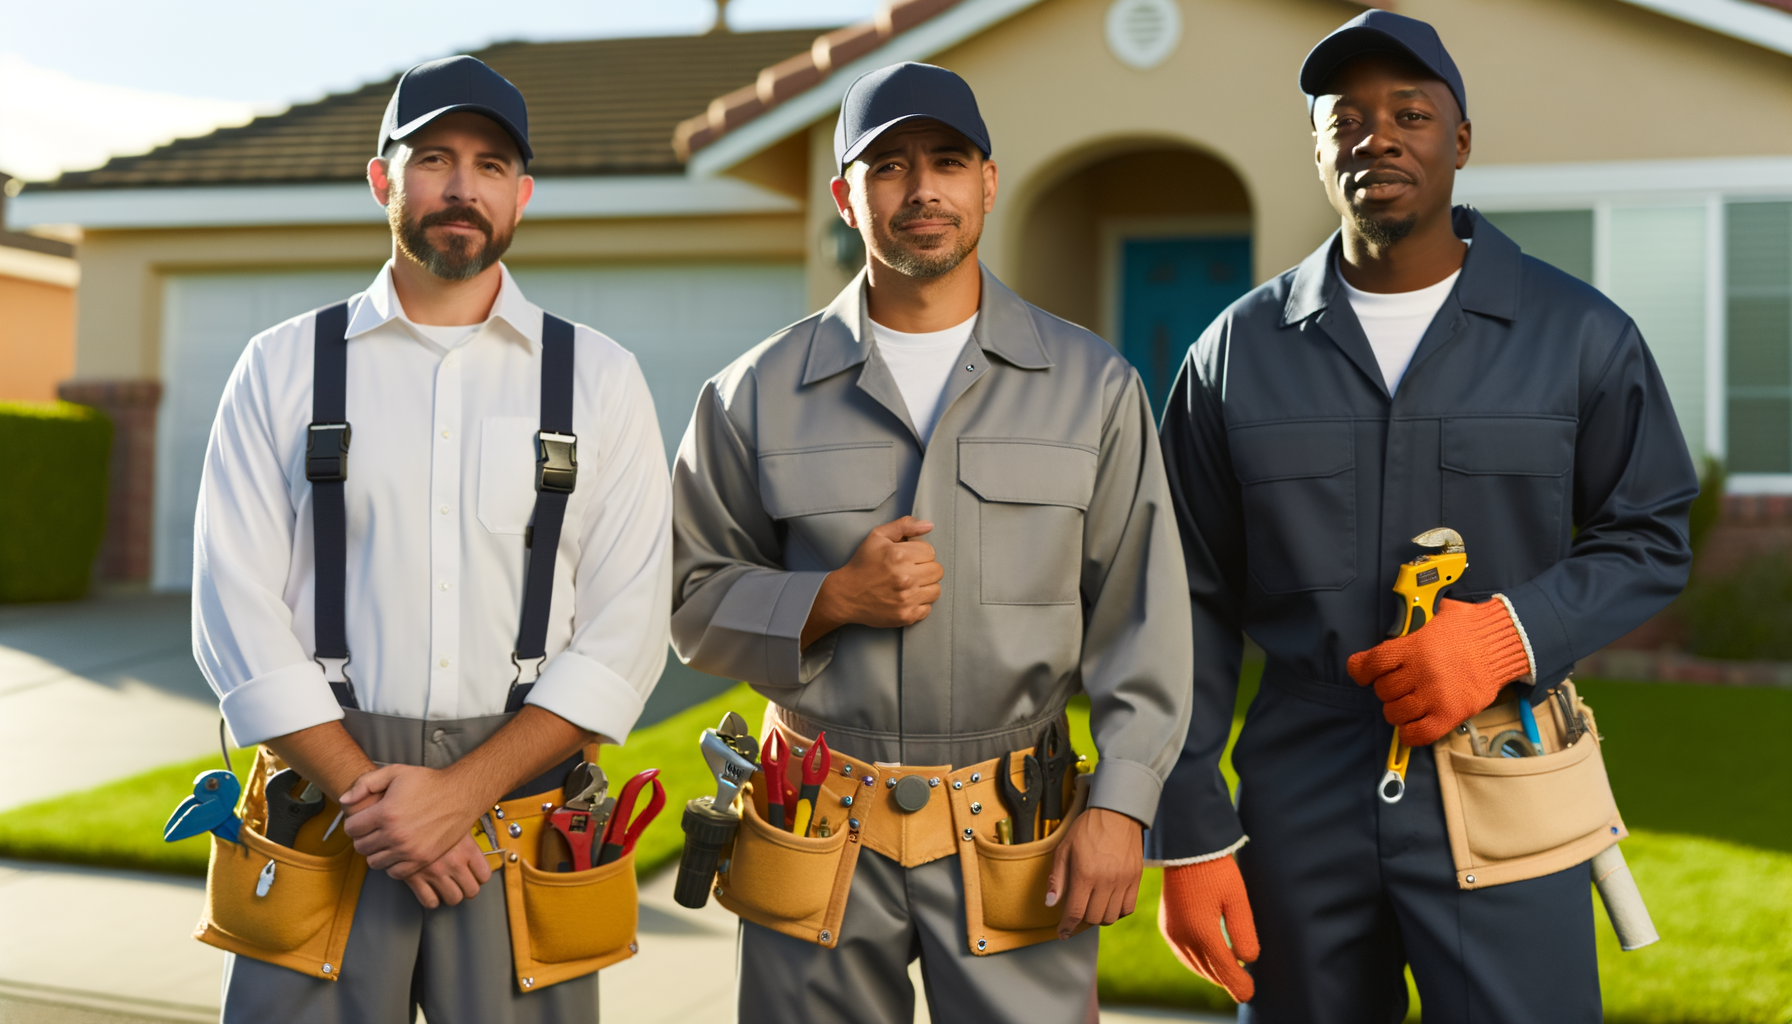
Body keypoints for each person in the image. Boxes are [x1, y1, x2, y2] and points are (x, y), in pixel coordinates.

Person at [1150, 11, 1697, 1022]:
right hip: (1298, 791)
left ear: (1461, 140)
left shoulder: (1579, 333)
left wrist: (1505, 637)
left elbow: (1651, 534)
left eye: (1409, 114)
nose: (1377, 137)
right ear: (1317, 147)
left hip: (1507, 766)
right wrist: (1189, 830)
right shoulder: (1234, 354)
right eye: (1346, 119)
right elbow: (1182, 597)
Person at [670, 62, 1193, 1024]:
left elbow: (1144, 620)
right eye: (888, 166)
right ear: (846, 197)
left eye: (948, 162)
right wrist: (830, 600)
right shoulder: (750, 394)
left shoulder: (1095, 388)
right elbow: (689, 601)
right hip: (814, 824)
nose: (922, 190)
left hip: (1018, 829)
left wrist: (1122, 804)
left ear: (987, 182)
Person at [192, 55, 671, 1023]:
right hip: (323, 815)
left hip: (520, 819)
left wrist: (460, 796)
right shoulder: (280, 367)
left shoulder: (601, 379)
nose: (463, 187)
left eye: (491, 165)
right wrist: (376, 800)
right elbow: (233, 612)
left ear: (521, 195)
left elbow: (625, 631)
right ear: (383, 179)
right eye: (434, 159)